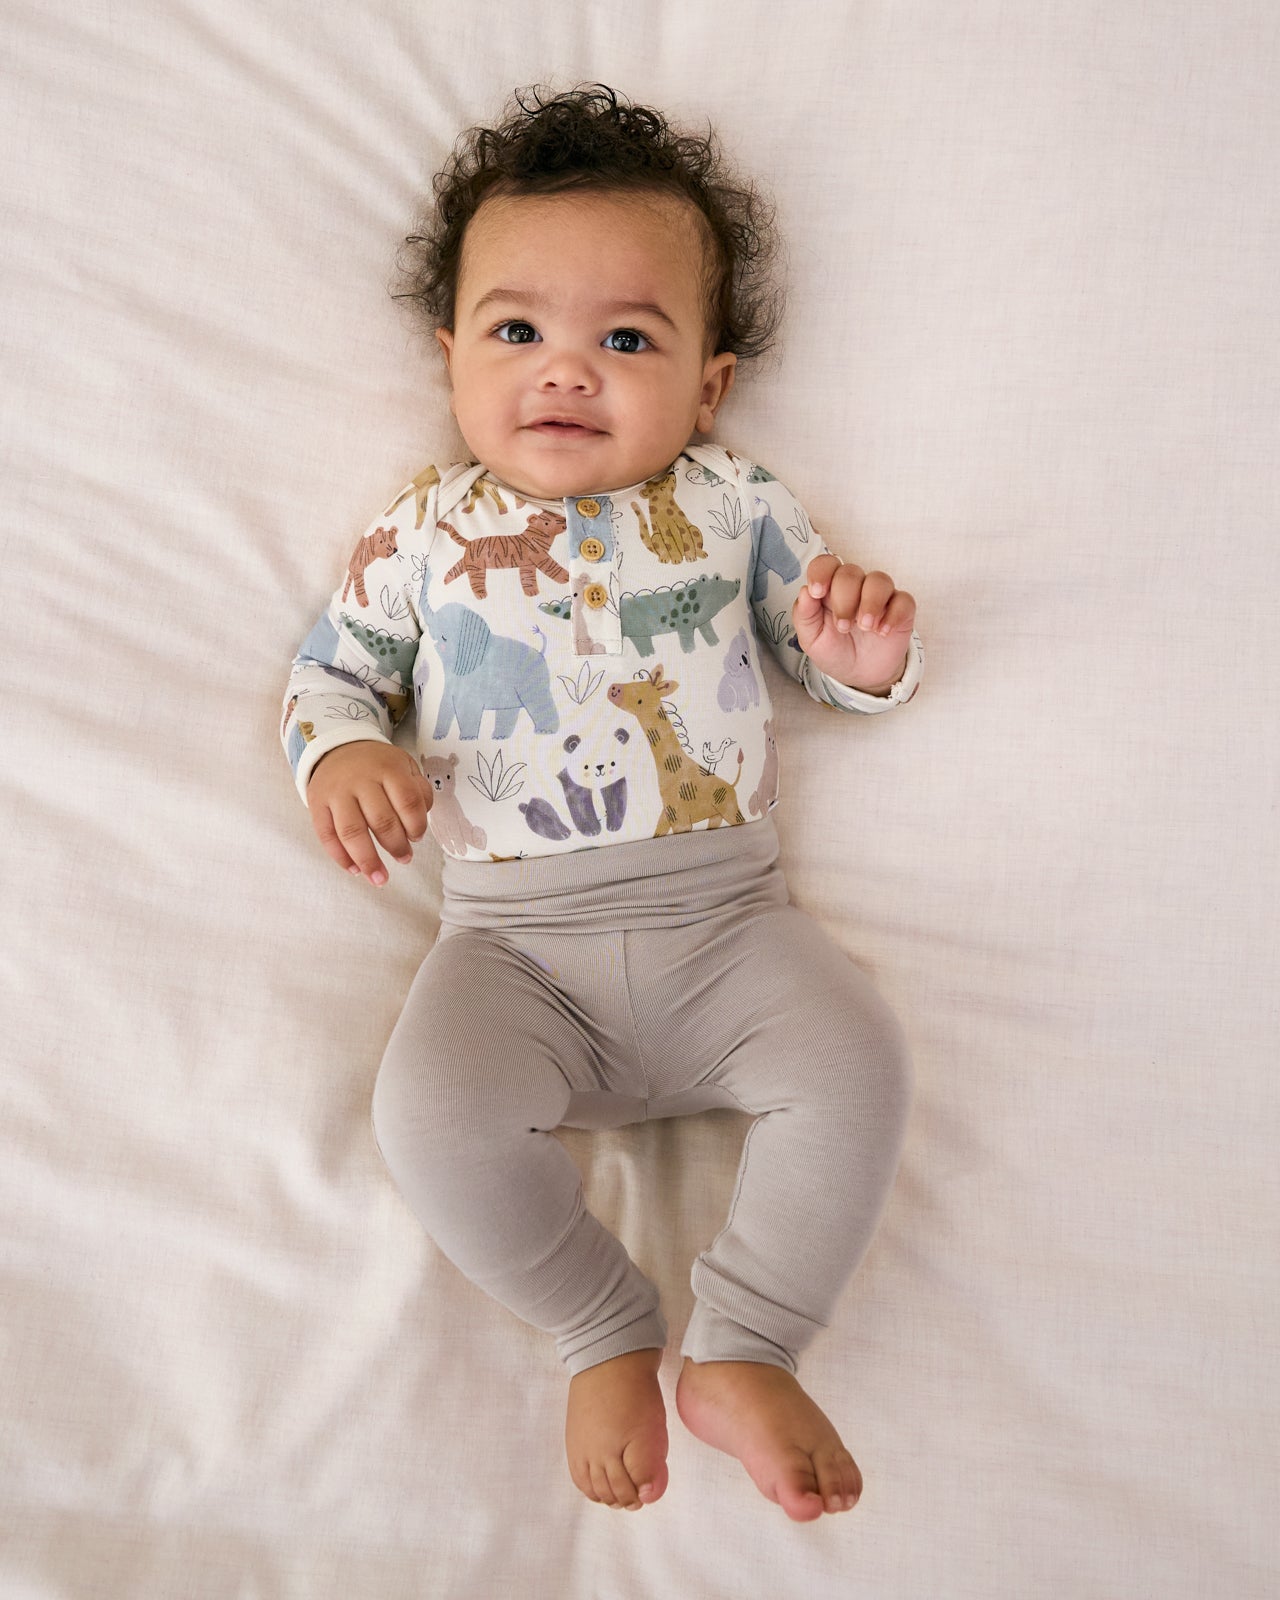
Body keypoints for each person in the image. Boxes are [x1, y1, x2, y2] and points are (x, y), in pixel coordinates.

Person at [281, 84, 922, 1522]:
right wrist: (342, 756)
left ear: (709, 387)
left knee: (859, 1065)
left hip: (730, 927)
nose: (566, 371)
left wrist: (862, 658)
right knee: (429, 1115)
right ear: (450, 357)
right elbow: (332, 674)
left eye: (626, 340)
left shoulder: (737, 503)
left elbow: (818, 651)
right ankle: (600, 1325)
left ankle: (748, 1344)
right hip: (511, 951)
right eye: (517, 332)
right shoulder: (424, 531)